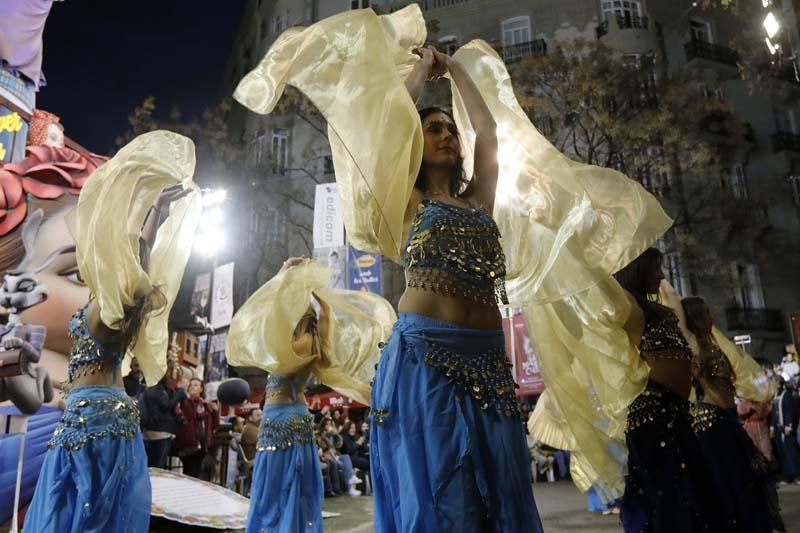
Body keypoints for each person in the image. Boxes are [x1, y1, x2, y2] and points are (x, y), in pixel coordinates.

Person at [23, 131, 202, 531]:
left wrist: (152, 211)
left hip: (98, 420)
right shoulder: (107, 305)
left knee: (87, 511)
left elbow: (137, 263)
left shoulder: (114, 310)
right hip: (88, 415)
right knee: (79, 508)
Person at [225, 258, 395, 532]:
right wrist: (316, 293)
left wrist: (285, 276)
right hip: (295, 419)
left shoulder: (290, 344)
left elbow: (272, 310)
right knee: (295, 486)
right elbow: (319, 313)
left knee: (274, 488)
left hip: (280, 420)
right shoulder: (312, 340)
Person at [614, 248, 719, 532]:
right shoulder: (627, 309)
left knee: (694, 500)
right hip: (652, 421)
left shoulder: (659, 311)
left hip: (676, 416)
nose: (661, 276)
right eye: (654, 269)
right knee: (667, 504)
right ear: (636, 272)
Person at [682, 296, 773, 532]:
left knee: (748, 488)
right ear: (694, 319)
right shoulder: (693, 350)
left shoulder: (714, 346)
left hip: (727, 422)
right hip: (712, 425)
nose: (711, 317)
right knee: (730, 493)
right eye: (705, 313)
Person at [140, 356, 188, 469]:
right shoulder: (156, 388)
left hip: (158, 431)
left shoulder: (160, 387)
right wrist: (179, 393)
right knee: (156, 467)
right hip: (158, 431)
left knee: (154, 466)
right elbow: (166, 405)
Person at [173, 377, 217, 478]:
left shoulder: (205, 405)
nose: (192, 387)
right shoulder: (185, 402)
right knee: (189, 472)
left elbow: (214, 424)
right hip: (188, 443)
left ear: (201, 389)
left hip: (202, 444)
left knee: (196, 473)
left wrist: (215, 412)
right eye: (191, 385)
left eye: (196, 385)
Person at [772, 378, 800, 484]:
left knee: (791, 452)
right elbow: (774, 413)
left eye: (775, 382)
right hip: (779, 429)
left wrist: (789, 425)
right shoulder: (776, 397)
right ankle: (788, 475)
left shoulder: (786, 395)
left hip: (786, 428)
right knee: (783, 452)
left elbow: (789, 410)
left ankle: (796, 475)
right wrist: (772, 426)